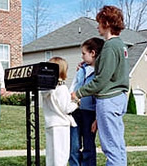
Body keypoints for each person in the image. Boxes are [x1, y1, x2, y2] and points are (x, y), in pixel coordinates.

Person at [71, 6, 129, 166]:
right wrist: (89, 63)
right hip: (119, 98)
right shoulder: (120, 45)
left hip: (108, 100)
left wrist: (78, 93)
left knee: (110, 147)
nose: (97, 26)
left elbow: (102, 80)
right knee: (118, 146)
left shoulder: (110, 46)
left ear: (108, 23)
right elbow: (112, 71)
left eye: (99, 22)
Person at [69, 37, 104, 166]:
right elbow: (73, 86)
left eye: (84, 53)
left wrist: (97, 118)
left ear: (93, 53)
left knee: (89, 145)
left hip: (90, 114)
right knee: (74, 145)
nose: (82, 56)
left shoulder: (100, 73)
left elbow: (101, 96)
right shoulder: (81, 69)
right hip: (75, 111)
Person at [41, 57, 78, 166]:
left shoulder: (46, 89)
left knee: (51, 155)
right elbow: (66, 108)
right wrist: (76, 102)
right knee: (61, 155)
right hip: (61, 124)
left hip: (50, 123)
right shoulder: (62, 89)